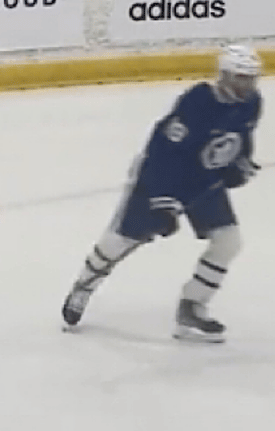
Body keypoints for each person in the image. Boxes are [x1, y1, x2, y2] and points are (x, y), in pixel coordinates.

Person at [60, 45, 264, 343]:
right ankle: (84, 286)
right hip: (160, 178)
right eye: (240, 78)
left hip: (204, 180)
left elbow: (241, 136)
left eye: (251, 78)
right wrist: (163, 202)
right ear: (223, 76)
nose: (246, 85)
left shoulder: (252, 103)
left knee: (229, 240)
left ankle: (192, 307)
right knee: (123, 238)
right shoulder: (197, 102)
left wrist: (240, 163)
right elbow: (163, 153)